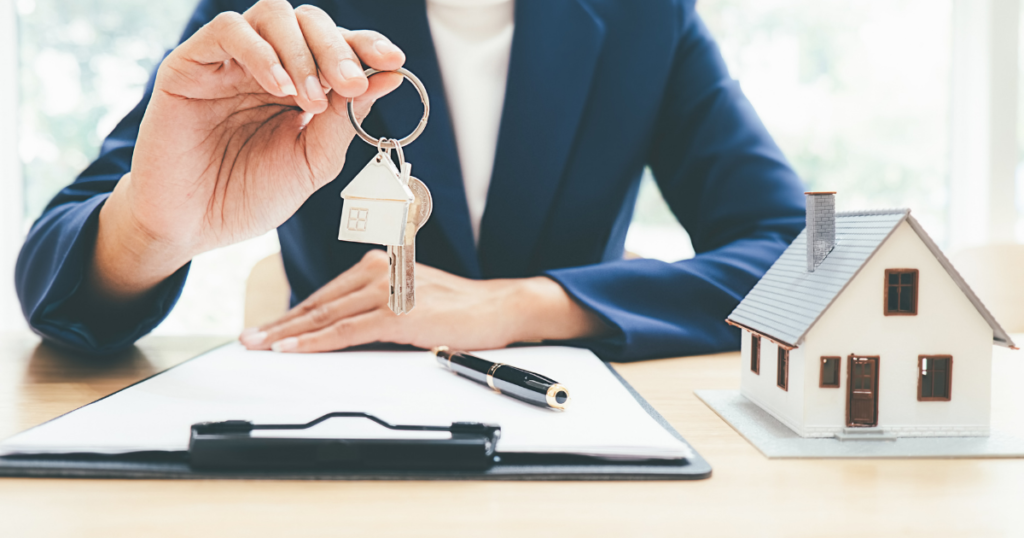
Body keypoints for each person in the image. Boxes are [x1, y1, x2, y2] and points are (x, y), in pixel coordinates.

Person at [15, 0, 805, 361]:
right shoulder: (272, 18)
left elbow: (799, 259)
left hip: (571, 431)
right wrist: (153, 229)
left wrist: (528, 304)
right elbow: (58, 292)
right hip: (332, 436)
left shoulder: (648, 16)